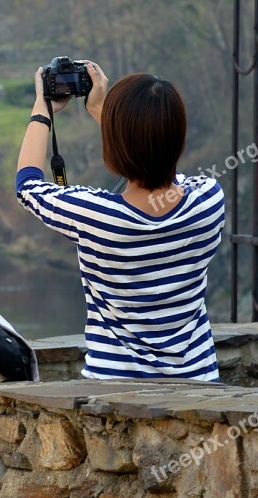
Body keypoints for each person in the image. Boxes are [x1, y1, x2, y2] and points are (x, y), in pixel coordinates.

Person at [15, 62, 225, 381]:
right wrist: (107, 115)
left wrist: (41, 108)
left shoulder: (96, 215)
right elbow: (158, 167)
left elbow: (28, 185)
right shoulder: (208, 198)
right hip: (200, 386)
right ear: (179, 136)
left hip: (115, 396)